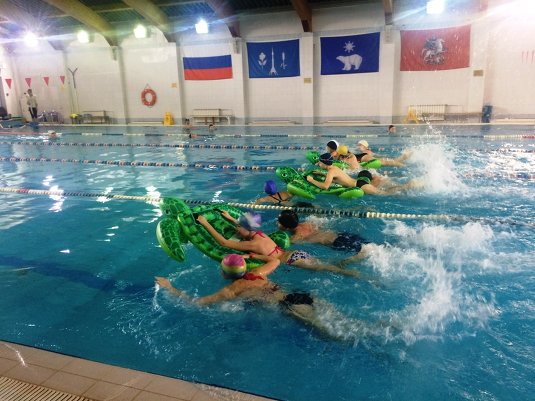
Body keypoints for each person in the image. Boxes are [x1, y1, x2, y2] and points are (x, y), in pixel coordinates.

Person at [155, 253, 355, 340]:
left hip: (289, 306)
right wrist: (253, 257)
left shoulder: (231, 290)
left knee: (334, 335)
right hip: (300, 295)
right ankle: (382, 326)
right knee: (348, 321)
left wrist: (169, 287)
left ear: (224, 274)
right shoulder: (258, 273)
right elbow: (275, 261)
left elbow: (196, 303)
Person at [196, 211, 359, 277]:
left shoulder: (253, 244)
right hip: (295, 254)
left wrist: (204, 223)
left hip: (292, 260)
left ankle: (355, 274)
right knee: (325, 265)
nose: (237, 231)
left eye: (239, 228)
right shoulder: (259, 233)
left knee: (327, 268)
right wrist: (231, 219)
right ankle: (347, 266)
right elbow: (245, 227)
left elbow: (223, 242)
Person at [277, 210, 372, 261]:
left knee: (368, 253)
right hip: (344, 235)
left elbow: (279, 248)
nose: (277, 223)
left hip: (338, 243)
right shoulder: (308, 223)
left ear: (286, 226)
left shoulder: (296, 237)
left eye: (279, 222)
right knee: (371, 247)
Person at [306, 153, 420, 196]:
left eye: (319, 163)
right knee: (385, 190)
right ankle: (407, 185)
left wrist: (311, 180)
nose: (318, 164)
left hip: (360, 185)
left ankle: (408, 185)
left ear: (324, 163)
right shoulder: (334, 168)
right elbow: (337, 178)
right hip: (360, 182)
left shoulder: (331, 171)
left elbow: (325, 186)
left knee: (385, 193)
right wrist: (320, 173)